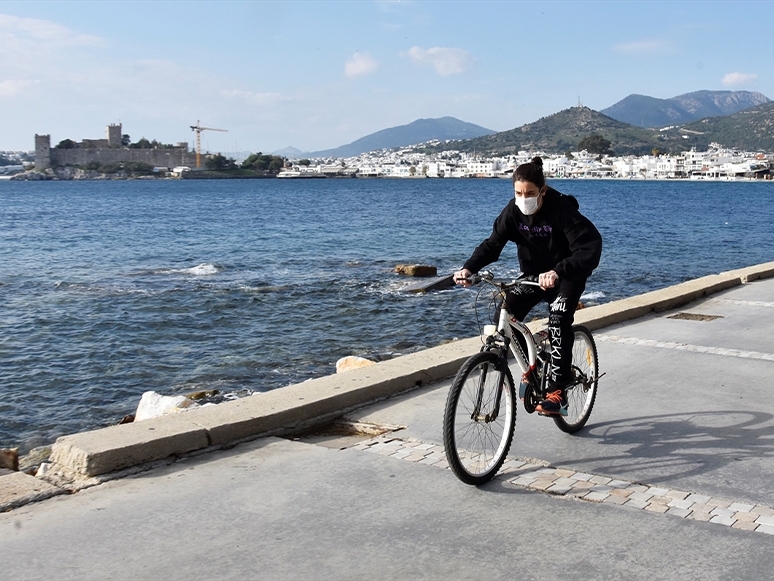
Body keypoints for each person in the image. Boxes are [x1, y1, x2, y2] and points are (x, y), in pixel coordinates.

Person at [454, 157, 602, 416]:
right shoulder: (513, 211)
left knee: (558, 321)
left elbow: (590, 247)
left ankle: (557, 393)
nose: (524, 198)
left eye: (530, 193)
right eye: (519, 193)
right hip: (534, 276)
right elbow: (492, 244)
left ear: (542, 191)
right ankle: (530, 369)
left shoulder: (561, 210)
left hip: (567, 275)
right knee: (506, 314)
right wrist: (469, 268)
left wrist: (558, 270)